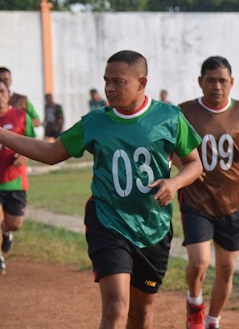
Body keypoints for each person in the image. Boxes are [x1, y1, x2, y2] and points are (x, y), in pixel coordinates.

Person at [0, 50, 203, 329]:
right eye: (107, 80)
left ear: (141, 83)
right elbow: (50, 152)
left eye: (118, 81)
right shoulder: (95, 122)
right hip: (109, 222)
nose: (109, 88)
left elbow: (194, 164)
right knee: (116, 308)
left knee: (142, 313)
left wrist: (175, 182)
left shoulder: (169, 117)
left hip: (153, 226)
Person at [177, 56, 239, 329]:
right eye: (211, 80)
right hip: (196, 198)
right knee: (199, 261)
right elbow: (174, 151)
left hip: (233, 199)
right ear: (200, 82)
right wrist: (185, 171)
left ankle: (212, 320)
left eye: (223, 81)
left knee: (226, 268)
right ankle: (195, 302)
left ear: (232, 83)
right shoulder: (184, 112)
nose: (217, 86)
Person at [0, 78, 36, 274]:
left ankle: (6, 233)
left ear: (8, 93)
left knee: (14, 224)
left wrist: (24, 154)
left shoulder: (21, 116)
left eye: (1, 92)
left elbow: (32, 142)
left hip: (14, 180)